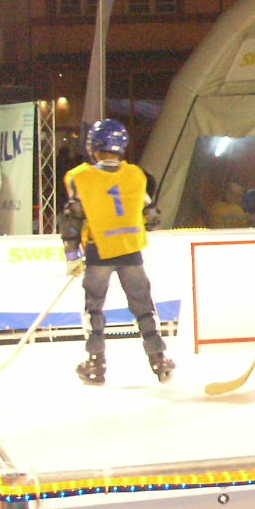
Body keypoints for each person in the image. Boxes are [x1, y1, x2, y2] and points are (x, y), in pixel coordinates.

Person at [61, 118, 174, 385]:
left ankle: (95, 364)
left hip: (99, 251)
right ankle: (158, 359)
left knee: (94, 309)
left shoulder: (81, 177)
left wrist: (72, 255)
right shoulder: (137, 175)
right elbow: (152, 217)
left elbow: (72, 218)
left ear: (94, 146)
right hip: (131, 251)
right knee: (143, 307)